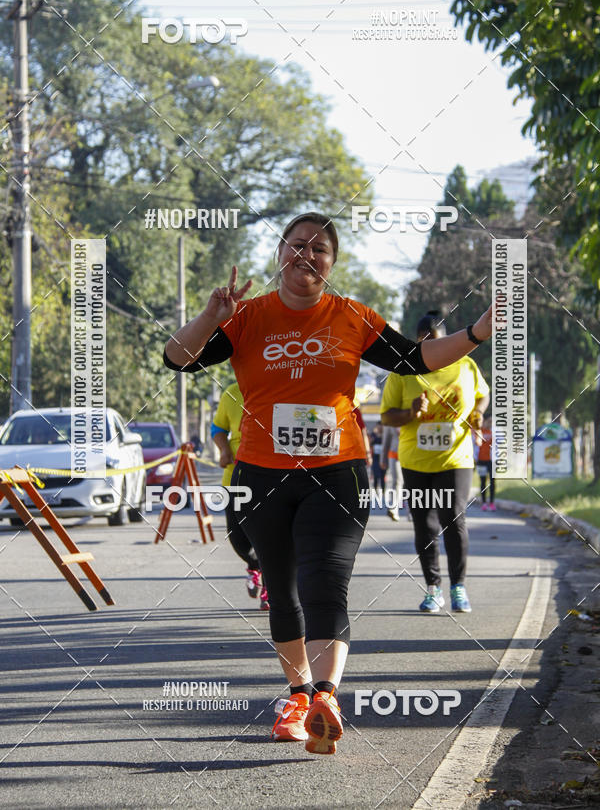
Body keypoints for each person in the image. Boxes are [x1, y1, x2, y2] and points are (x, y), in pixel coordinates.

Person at [164, 213, 493, 754]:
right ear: (279, 255)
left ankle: (325, 697)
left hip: (337, 473)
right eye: (297, 245)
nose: (306, 255)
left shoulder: (352, 317)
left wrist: (478, 332)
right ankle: (296, 695)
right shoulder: (246, 318)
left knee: (326, 583)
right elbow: (178, 358)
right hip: (263, 475)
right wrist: (210, 316)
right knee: (282, 587)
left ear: (331, 263)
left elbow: (415, 358)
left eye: (319, 249)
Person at [380, 311, 489, 614]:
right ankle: (432, 589)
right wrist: (411, 413)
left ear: (447, 341)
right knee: (423, 526)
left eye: (439, 344)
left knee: (454, 520)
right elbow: (387, 416)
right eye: (426, 344)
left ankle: (458, 588)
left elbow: (483, 395)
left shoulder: (465, 364)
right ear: (417, 343)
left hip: (456, 458)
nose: (435, 352)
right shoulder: (403, 371)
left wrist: (478, 413)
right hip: (415, 460)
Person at [211, 381, 269, 609]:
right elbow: (218, 429)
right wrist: (224, 450)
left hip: (273, 477)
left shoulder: (280, 387)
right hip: (234, 477)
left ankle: (271, 587)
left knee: (272, 535)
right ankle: (254, 564)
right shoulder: (232, 392)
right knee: (236, 536)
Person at [477, 415, 495, 511]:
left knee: (492, 481)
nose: (489, 424)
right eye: (488, 421)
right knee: (483, 482)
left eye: (491, 422)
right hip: (481, 461)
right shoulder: (478, 432)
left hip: (491, 461)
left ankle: (492, 503)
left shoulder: (493, 433)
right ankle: (484, 503)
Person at [369, 422, 386, 491]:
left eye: (381, 426)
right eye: (378, 426)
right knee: (375, 475)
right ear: (376, 427)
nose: (380, 428)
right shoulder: (373, 435)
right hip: (375, 457)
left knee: (382, 476)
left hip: (383, 458)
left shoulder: (385, 435)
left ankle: (383, 492)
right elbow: (370, 443)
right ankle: (375, 491)